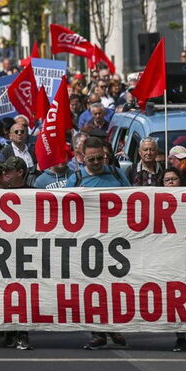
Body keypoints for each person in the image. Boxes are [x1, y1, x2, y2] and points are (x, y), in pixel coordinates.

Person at [66, 137, 129, 350]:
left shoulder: (117, 175)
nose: (96, 163)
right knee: (93, 289)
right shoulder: (75, 179)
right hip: (88, 244)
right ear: (82, 158)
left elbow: (134, 199)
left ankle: (114, 327)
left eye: (100, 158)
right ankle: (98, 331)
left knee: (116, 288)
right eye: (91, 159)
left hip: (117, 243)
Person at [0, 157, 33, 351]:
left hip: (27, 252)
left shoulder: (34, 194)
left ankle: (23, 333)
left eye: (8, 170)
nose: (4, 174)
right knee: (5, 292)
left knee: (23, 294)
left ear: (20, 172)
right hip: (4, 252)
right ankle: (9, 332)